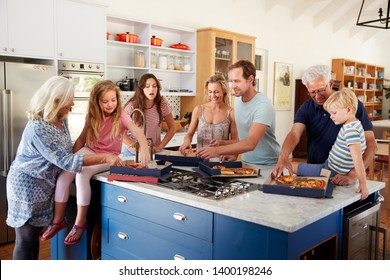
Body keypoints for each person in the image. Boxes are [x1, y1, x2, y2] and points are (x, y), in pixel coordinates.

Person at [6, 76, 123, 259]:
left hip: (44, 186)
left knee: (33, 238)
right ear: (56, 100)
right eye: (70, 98)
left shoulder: (61, 119)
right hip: (27, 187)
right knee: (25, 239)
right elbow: (66, 161)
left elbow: (67, 149)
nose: (73, 103)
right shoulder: (39, 127)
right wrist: (106, 156)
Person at [41, 80, 150, 246]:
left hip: (109, 157)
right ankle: (58, 221)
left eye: (113, 100)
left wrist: (144, 147)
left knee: (82, 174)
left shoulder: (122, 116)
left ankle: (80, 222)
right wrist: (71, 158)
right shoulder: (92, 116)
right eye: (105, 101)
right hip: (90, 151)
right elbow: (82, 139)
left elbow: (138, 133)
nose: (110, 104)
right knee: (64, 177)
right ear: (96, 102)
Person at [273, 65, 376, 185]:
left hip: (344, 178)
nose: (317, 96)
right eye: (312, 92)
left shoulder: (351, 105)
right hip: (317, 172)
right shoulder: (306, 107)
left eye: (321, 90)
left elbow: (371, 144)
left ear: (331, 84)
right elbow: (294, 134)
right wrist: (283, 156)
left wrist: (353, 175)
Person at [197, 60, 280, 166]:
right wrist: (232, 151)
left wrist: (217, 150)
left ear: (250, 79)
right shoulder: (238, 99)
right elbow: (242, 137)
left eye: (237, 81)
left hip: (267, 165)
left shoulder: (263, 106)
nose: (233, 86)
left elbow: (250, 143)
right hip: (246, 163)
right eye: (231, 81)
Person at [290, 89, 368, 200]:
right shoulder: (355, 124)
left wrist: (363, 184)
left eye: (334, 113)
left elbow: (358, 159)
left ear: (349, 110)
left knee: (294, 167)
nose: (331, 116)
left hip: (330, 171)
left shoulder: (350, 131)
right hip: (330, 166)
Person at [179, 74, 238, 155]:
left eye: (216, 92)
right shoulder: (199, 110)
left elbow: (235, 141)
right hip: (200, 158)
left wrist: (221, 142)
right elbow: (189, 134)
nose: (213, 95)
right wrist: (187, 141)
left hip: (221, 160)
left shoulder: (230, 113)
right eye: (210, 92)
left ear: (223, 91)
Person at [123, 73, 176, 155]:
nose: (151, 89)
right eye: (147, 86)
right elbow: (120, 132)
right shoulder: (132, 106)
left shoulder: (162, 104)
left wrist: (160, 146)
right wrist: (135, 147)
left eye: (154, 86)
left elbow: (172, 128)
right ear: (141, 89)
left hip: (153, 152)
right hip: (133, 153)